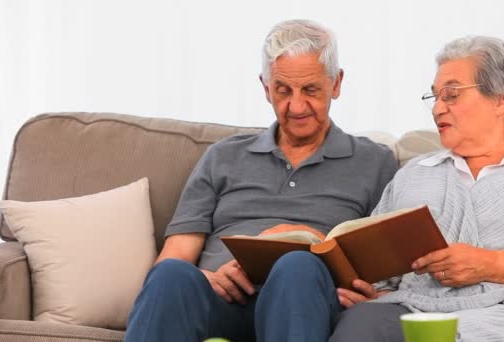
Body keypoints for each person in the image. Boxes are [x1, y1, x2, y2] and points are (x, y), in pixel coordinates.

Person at [124, 19, 397, 342]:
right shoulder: (223, 156)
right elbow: (176, 253)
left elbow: (389, 272)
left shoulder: (374, 161)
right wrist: (206, 277)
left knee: (296, 265)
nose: (296, 106)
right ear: (265, 87)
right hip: (224, 302)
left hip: (307, 302)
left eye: (310, 90)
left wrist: (368, 297)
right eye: (283, 90)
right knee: (169, 275)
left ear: (336, 84)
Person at [329, 35, 504, 341]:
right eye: (434, 97)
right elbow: (379, 272)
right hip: (418, 315)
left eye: (451, 95)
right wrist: (372, 293)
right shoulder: (413, 175)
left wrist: (489, 264)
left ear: (501, 98)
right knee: (363, 322)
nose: (437, 110)